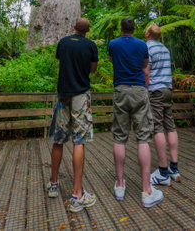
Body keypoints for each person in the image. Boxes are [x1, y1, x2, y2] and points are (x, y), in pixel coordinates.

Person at [108, 18, 163, 208]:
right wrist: (145, 89)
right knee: (143, 138)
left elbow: (113, 62)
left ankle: (120, 185)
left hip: (121, 90)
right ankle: (147, 190)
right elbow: (144, 68)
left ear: (121, 28)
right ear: (134, 29)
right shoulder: (142, 45)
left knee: (119, 137)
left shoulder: (113, 44)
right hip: (139, 90)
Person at [47, 18, 98, 213]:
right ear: (88, 30)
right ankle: (77, 195)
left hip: (63, 95)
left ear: (74, 28)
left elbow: (62, 61)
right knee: (79, 141)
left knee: (58, 140)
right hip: (80, 96)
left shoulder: (63, 42)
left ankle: (53, 183)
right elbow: (92, 69)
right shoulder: (91, 45)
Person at [144, 23, 180, 186]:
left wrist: (145, 90)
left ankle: (163, 172)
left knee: (157, 128)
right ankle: (174, 167)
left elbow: (146, 71)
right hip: (167, 89)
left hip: (155, 91)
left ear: (147, 34)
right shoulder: (165, 49)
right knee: (170, 126)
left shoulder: (147, 48)